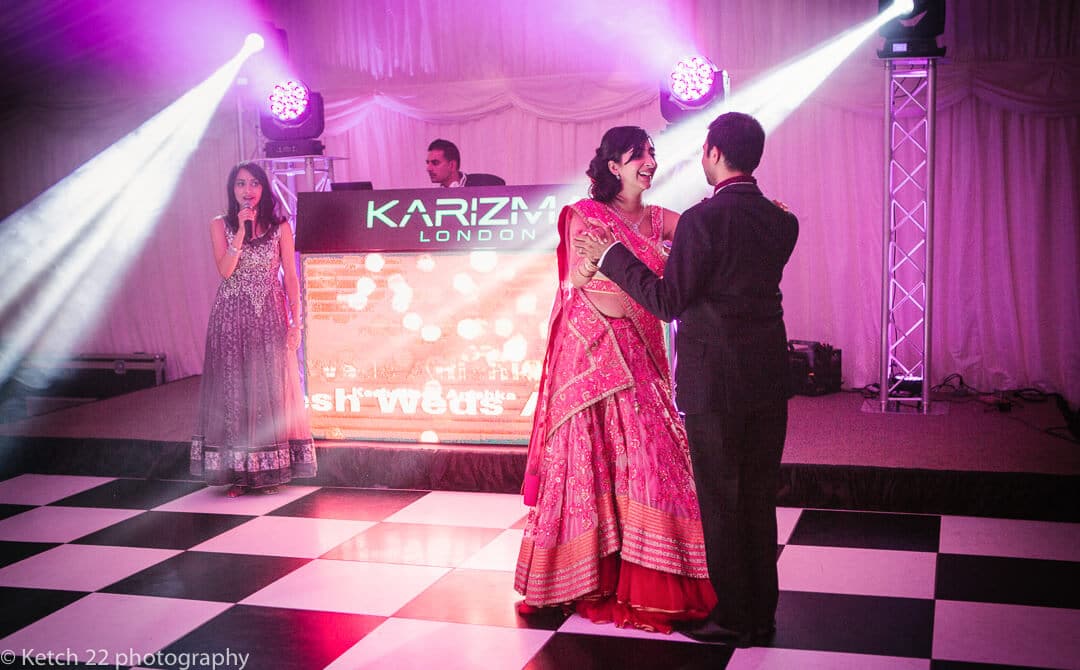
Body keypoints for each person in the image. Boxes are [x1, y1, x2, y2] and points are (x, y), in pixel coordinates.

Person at [573, 112, 798, 646]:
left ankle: (735, 618)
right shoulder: (782, 221)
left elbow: (666, 301)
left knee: (722, 499)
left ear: (714, 153)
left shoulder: (702, 220)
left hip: (714, 380)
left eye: (703, 149)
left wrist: (611, 256)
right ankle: (761, 612)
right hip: (769, 375)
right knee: (759, 496)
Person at [514, 126, 716, 633]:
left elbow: (701, 231)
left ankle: (653, 574)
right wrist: (588, 262)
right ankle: (578, 579)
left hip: (641, 350)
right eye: (638, 156)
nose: (649, 163)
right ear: (613, 166)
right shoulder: (584, 215)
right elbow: (574, 281)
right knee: (587, 463)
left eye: (651, 154)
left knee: (655, 457)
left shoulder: (658, 218)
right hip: (591, 352)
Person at [190, 161, 317, 497]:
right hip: (230, 318)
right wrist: (242, 233)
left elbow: (290, 276)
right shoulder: (221, 225)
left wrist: (296, 322)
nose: (248, 191)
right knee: (235, 393)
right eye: (241, 185)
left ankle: (269, 470)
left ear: (264, 188)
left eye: (254, 184)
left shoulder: (280, 227)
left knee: (269, 391)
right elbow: (226, 271)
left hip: (270, 317)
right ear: (233, 191)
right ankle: (237, 473)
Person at [425, 139, 506, 187]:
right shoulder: (433, 198)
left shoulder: (483, 183)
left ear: (452, 165)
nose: (428, 168)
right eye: (428, 163)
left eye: (435, 163)